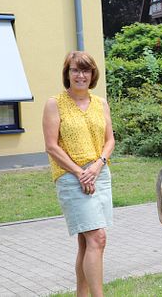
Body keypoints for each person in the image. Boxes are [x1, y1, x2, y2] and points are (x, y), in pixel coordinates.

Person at [42, 51, 115, 297]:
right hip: (71, 178)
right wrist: (80, 172)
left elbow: (110, 140)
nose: (80, 75)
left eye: (85, 70)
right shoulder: (55, 104)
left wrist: (97, 166)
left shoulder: (101, 103)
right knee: (98, 238)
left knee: (87, 242)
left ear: (92, 74)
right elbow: (52, 146)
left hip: (100, 175)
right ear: (67, 73)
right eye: (75, 70)